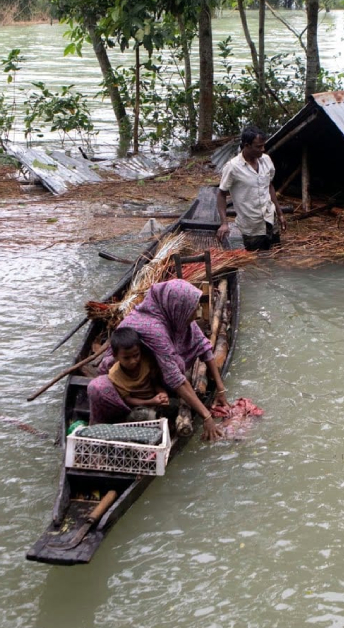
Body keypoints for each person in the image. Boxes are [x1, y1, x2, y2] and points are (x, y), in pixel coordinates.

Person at [87, 280, 229, 440]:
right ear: (177, 307)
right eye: (192, 310)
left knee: (175, 366)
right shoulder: (155, 330)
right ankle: (114, 422)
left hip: (150, 381)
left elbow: (203, 346)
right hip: (123, 387)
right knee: (98, 389)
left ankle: (145, 411)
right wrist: (206, 416)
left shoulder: (175, 316)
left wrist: (220, 389)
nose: (195, 314)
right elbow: (177, 380)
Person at [217, 126, 285, 251]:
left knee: (276, 254)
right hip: (250, 225)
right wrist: (224, 223)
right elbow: (221, 194)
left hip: (270, 218)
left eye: (263, 145)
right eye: (258, 146)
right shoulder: (233, 167)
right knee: (256, 263)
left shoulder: (266, 160)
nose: (263, 149)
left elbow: (269, 186)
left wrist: (280, 213)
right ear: (247, 145)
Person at [106, 327, 170, 422]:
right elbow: (128, 400)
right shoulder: (114, 376)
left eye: (136, 355)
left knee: (174, 405)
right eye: (126, 358)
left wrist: (162, 393)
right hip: (138, 407)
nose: (133, 361)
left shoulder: (146, 361)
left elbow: (155, 383)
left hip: (155, 399)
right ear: (115, 357)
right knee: (145, 416)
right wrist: (150, 402)